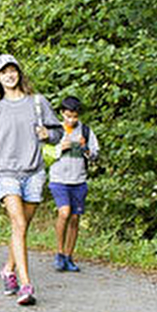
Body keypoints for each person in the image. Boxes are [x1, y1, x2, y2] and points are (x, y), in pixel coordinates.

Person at [0, 54, 61, 306]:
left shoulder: (37, 103)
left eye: (12, 70)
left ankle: (8, 269)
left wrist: (47, 134)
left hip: (34, 173)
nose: (9, 75)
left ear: (19, 73)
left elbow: (57, 132)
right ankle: (26, 285)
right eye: (3, 72)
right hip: (7, 174)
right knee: (18, 223)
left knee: (21, 228)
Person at [48, 95, 99, 272]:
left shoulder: (85, 131)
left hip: (79, 180)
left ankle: (69, 257)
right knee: (64, 213)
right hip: (58, 180)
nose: (71, 119)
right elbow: (43, 155)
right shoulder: (55, 131)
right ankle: (59, 253)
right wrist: (59, 149)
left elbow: (95, 156)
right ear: (62, 113)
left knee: (75, 218)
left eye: (75, 116)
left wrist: (85, 149)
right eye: (68, 116)